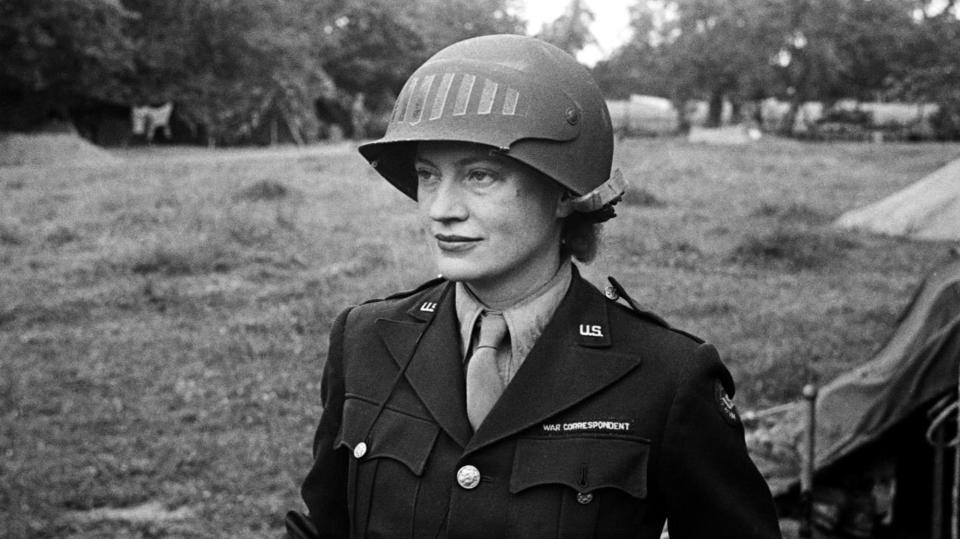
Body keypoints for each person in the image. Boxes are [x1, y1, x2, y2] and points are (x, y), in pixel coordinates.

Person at [295, 34, 782, 539]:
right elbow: (323, 527)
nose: (442, 208)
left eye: (480, 176)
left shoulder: (665, 376)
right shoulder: (366, 339)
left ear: (562, 194)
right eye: (427, 175)